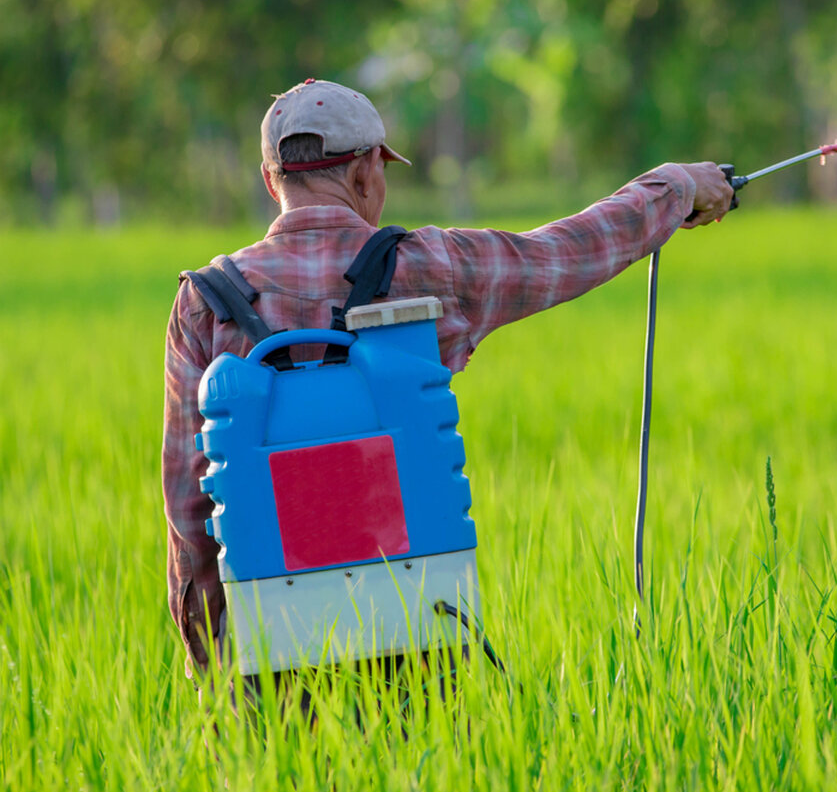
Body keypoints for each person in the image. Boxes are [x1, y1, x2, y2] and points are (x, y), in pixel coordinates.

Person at [161, 78, 734, 685]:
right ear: (364, 175)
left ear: (271, 180)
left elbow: (188, 504)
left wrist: (217, 662)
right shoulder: (428, 266)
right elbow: (566, 252)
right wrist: (675, 187)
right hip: (423, 637)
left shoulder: (204, 302)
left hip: (270, 644)